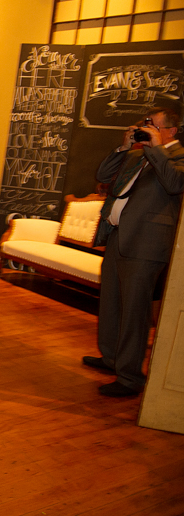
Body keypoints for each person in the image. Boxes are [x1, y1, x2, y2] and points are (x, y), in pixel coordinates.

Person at [84, 106, 184, 397]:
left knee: (135, 312)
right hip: (118, 236)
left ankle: (129, 378)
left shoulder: (176, 156)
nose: (147, 128)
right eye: (145, 124)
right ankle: (111, 357)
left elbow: (175, 184)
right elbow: (102, 174)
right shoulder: (136, 153)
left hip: (147, 243)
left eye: (153, 125)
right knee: (112, 302)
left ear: (171, 131)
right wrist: (123, 146)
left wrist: (155, 149)